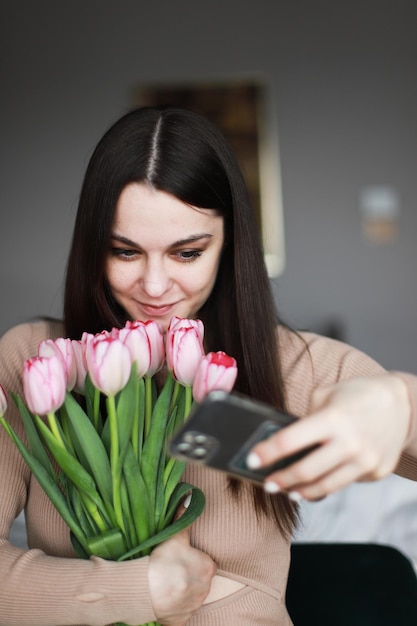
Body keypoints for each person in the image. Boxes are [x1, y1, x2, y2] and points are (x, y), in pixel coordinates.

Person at [0, 105, 416, 626]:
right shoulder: (34, 359)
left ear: (230, 244)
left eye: (187, 253)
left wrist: (400, 401)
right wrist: (141, 590)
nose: (154, 287)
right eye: (124, 252)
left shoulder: (293, 366)